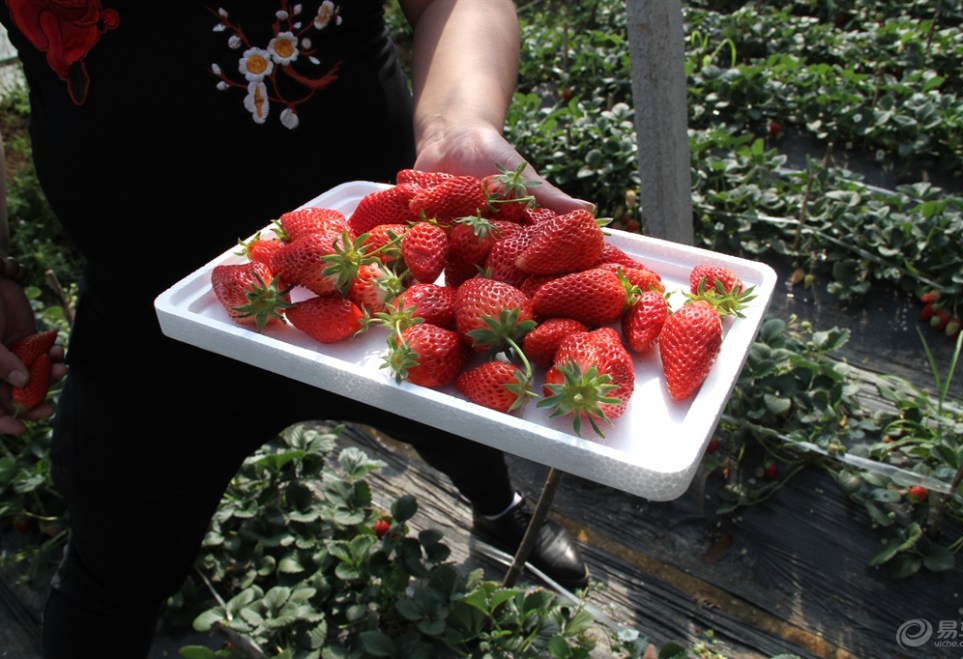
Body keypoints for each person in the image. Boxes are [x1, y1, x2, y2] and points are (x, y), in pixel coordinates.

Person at [0, 1, 595, 656]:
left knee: (450, 420)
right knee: (116, 556)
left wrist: (462, 125)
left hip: (383, 277)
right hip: (152, 319)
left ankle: (498, 509)